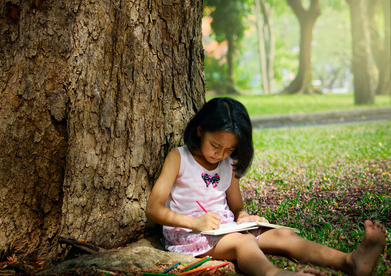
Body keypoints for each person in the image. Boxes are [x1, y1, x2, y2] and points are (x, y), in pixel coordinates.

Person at [146, 97, 387, 276]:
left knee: (284, 236)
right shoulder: (179, 158)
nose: (221, 154)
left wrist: (243, 216)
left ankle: (350, 262)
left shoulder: (227, 163)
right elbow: (153, 209)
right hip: (191, 234)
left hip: (226, 228)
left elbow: (236, 205)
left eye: (229, 149)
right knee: (244, 243)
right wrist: (193, 222)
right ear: (200, 131)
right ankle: (276, 274)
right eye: (215, 145)